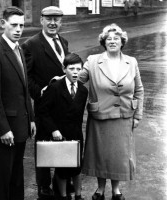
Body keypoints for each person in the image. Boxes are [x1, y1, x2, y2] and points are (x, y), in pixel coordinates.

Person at [79, 23, 144, 200]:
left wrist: (138, 115)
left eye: (116, 38)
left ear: (122, 42)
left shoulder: (132, 62)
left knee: (118, 156)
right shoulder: (93, 61)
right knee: (101, 154)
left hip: (124, 116)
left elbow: (139, 90)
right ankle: (100, 189)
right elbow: (77, 77)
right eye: (109, 39)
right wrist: (60, 77)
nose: (113, 41)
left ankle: (116, 190)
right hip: (100, 116)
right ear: (103, 42)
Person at [0, 6, 36, 200]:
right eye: (14, 25)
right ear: (3, 24)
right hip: (5, 132)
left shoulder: (18, 49)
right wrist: (3, 129)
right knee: (2, 180)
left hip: (20, 127)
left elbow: (24, 89)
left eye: (21, 25)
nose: (19, 30)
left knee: (16, 179)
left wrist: (31, 118)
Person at [21, 6, 70, 199]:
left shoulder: (64, 41)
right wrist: (39, 92)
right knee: (43, 144)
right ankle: (43, 185)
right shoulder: (31, 44)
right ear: (41, 20)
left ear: (61, 22)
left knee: (61, 143)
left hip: (63, 104)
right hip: (43, 105)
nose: (53, 23)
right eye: (49, 19)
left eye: (57, 19)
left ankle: (60, 182)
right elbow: (27, 76)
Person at [38, 53, 88, 200]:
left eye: (78, 69)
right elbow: (43, 111)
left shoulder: (83, 90)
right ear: (64, 69)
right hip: (60, 135)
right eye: (71, 69)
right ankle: (64, 196)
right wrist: (54, 129)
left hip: (76, 135)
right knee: (62, 168)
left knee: (77, 167)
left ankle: (78, 196)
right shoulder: (54, 88)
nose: (75, 72)